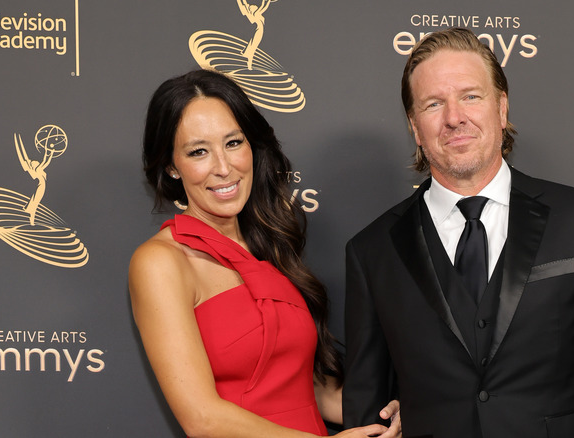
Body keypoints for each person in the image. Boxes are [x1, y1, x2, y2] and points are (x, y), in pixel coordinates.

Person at [343, 28, 574, 438]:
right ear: (415, 127)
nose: (455, 117)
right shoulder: (371, 251)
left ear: (501, 108)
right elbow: (368, 413)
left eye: (471, 96)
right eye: (434, 104)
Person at [129, 69, 400, 437]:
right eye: (198, 152)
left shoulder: (269, 252)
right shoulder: (161, 262)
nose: (224, 168)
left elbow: (302, 388)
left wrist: (386, 414)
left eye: (233, 143)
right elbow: (202, 419)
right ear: (171, 166)